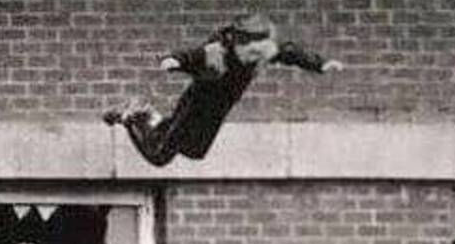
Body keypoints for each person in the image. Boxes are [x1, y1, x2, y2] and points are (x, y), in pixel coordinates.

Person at [103, 12, 342, 167]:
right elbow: (192, 56)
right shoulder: (216, 53)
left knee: (195, 152)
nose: (253, 59)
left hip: (219, 108)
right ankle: (133, 117)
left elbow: (290, 53)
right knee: (160, 156)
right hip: (197, 105)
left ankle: (150, 118)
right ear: (238, 45)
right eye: (250, 53)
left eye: (259, 54)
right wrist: (173, 61)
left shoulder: (265, 49)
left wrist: (320, 64)